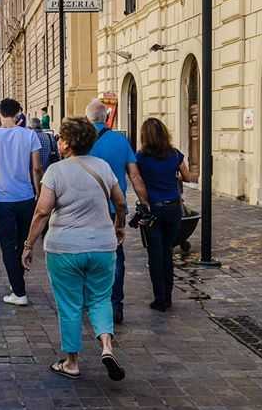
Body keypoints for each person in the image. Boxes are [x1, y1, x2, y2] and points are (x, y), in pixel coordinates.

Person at [21, 117, 127, 382]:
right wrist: (119, 226)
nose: (58, 141)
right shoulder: (102, 167)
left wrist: (28, 244)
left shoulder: (56, 171)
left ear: (67, 142)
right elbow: (121, 202)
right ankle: (106, 346)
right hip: (103, 245)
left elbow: (42, 211)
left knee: (69, 304)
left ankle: (71, 362)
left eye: (60, 138)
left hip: (64, 248)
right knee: (101, 299)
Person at [85, 99, 150, 324]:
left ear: (88, 118)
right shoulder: (120, 141)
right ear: (106, 117)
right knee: (115, 256)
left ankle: (92, 302)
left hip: (86, 209)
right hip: (114, 208)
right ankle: (115, 305)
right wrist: (145, 203)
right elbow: (135, 175)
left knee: (87, 254)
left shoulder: (82, 140)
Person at [0, 98, 43, 306]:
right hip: (25, 195)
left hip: (2, 197)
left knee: (7, 244)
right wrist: (38, 191)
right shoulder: (30, 135)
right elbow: (36, 168)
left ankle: (18, 290)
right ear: (18, 114)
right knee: (24, 241)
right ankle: (17, 283)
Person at [136, 118, 195, 312]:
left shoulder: (141, 157)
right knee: (167, 251)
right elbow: (187, 177)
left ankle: (159, 298)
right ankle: (168, 297)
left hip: (153, 209)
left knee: (155, 254)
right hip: (173, 208)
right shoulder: (175, 154)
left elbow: (138, 181)